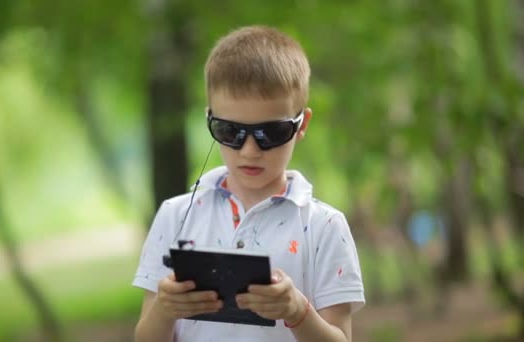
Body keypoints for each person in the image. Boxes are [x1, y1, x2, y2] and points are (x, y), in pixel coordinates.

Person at [133, 25, 365, 342]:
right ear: (209, 119)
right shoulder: (175, 216)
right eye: (230, 131)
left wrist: (297, 311)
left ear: (301, 125)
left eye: (271, 133)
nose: (249, 151)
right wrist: (165, 307)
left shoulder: (324, 227)